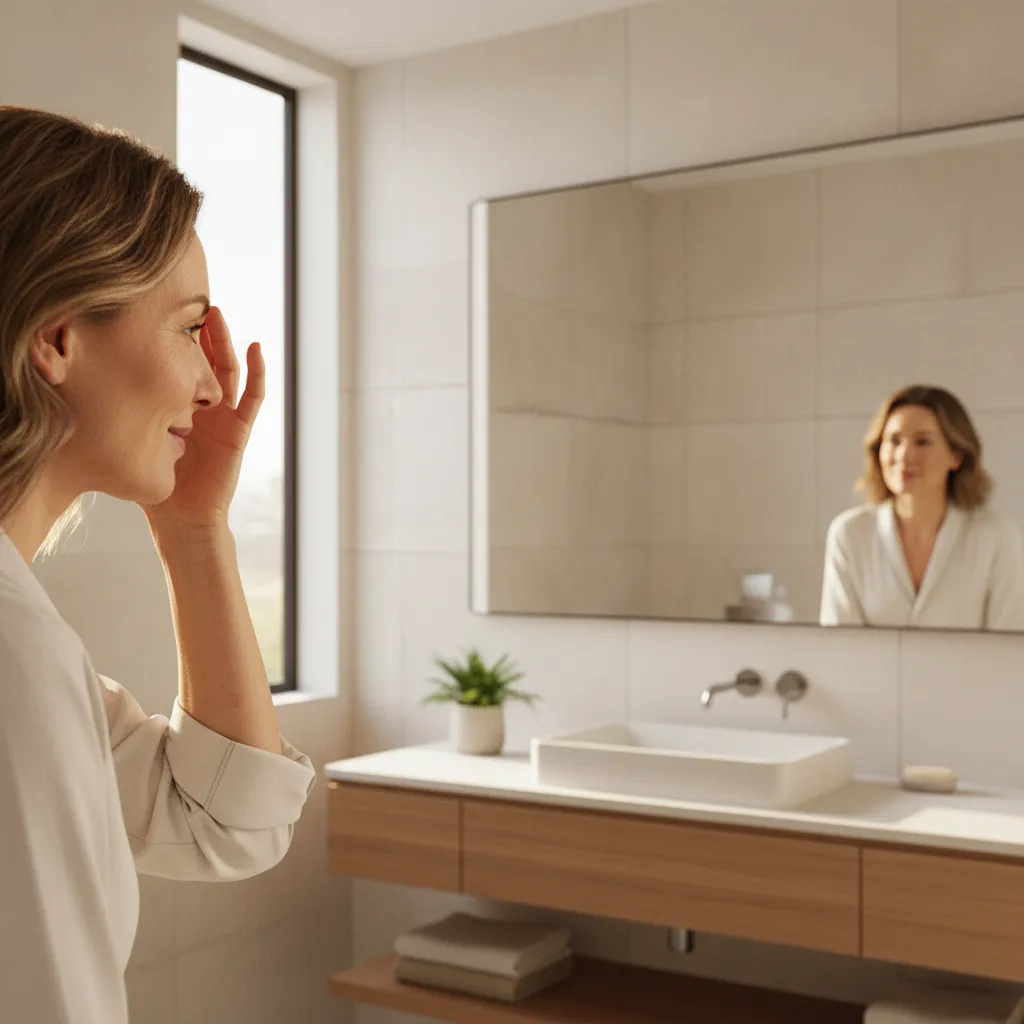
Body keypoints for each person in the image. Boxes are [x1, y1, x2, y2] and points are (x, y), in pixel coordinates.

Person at [0, 107, 316, 1022]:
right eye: (189, 330)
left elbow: (225, 821)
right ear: (56, 338)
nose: (215, 384)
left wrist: (194, 528)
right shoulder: (15, 655)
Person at [820, 384, 1024, 630]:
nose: (904, 455)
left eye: (923, 442)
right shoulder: (850, 534)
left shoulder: (998, 538)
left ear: (956, 455)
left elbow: (1008, 652)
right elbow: (839, 649)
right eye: (894, 441)